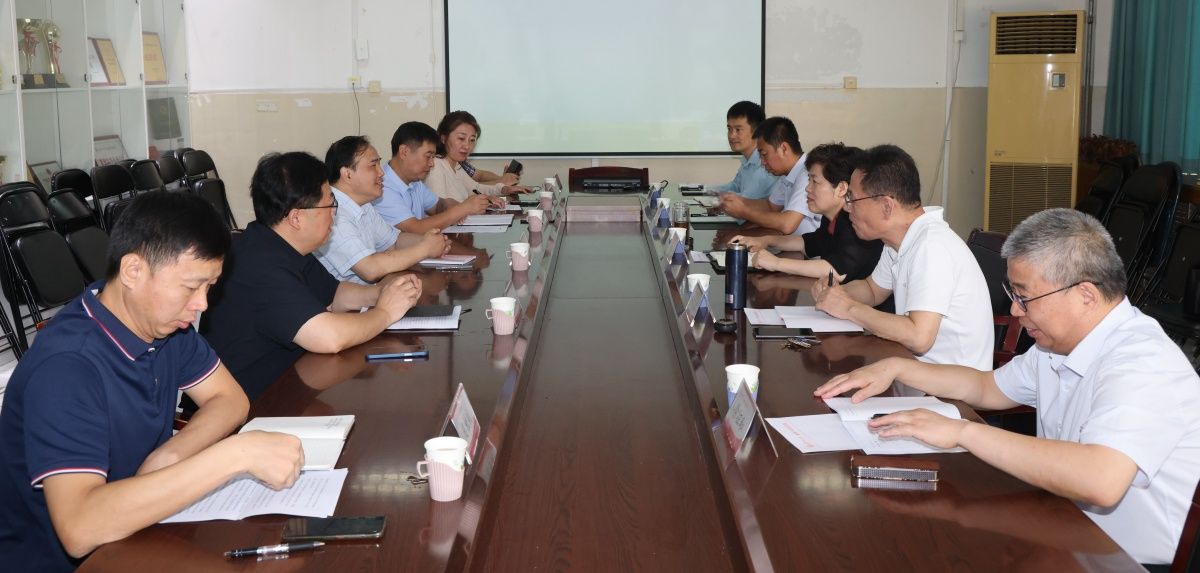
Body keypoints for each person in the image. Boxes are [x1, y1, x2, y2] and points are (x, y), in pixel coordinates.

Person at [814, 208, 1200, 567]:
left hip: (1127, 560)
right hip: (1066, 528)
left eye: (1025, 297)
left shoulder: (1143, 362)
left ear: (1085, 295)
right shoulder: (1058, 345)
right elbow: (985, 387)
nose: (1015, 310)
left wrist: (962, 432)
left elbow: (1101, 480)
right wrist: (898, 367)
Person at [0, 191, 304, 572]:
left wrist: (169, 457)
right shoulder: (67, 367)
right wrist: (235, 456)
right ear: (133, 271)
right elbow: (79, 528)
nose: (202, 304)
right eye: (191, 286)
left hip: (137, 533)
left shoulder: (164, 327)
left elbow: (230, 399)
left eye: (209, 287)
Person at [202, 152, 422, 401]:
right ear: (296, 217)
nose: (335, 214)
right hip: (253, 402)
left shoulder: (281, 243)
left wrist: (382, 292)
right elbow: (329, 337)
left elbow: (335, 294)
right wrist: (385, 313)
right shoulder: (259, 264)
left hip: (292, 379)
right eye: (330, 205)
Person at [811, 144, 992, 369]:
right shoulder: (898, 241)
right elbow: (872, 290)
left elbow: (919, 337)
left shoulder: (931, 247)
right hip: (915, 369)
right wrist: (835, 293)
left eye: (852, 199)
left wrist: (848, 307)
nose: (847, 209)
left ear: (887, 206)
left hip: (950, 384)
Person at [732, 143, 882, 282]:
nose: (807, 188)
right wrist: (766, 240)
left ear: (841, 189)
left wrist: (777, 263)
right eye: (808, 180)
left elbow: (838, 270)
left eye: (814, 182)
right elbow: (807, 243)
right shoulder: (833, 218)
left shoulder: (855, 221)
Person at [316, 135, 451, 284]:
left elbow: (394, 242)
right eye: (373, 165)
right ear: (347, 174)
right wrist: (425, 248)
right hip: (346, 298)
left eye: (379, 165)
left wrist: (432, 241)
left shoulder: (364, 205)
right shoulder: (333, 212)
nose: (381, 173)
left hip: (373, 291)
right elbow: (370, 269)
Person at [373, 121, 491, 233]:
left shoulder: (414, 181)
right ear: (404, 152)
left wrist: (456, 206)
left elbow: (438, 205)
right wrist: (462, 209)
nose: (431, 164)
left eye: (433, 157)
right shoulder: (382, 186)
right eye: (428, 156)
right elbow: (415, 228)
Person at [717, 116, 820, 235]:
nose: (762, 162)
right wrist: (736, 201)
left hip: (810, 246)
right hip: (793, 243)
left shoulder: (807, 174)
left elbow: (787, 224)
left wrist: (744, 211)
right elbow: (770, 206)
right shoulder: (787, 174)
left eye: (764, 154)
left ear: (784, 149)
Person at [425, 111, 529, 202]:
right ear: (443, 138)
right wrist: (476, 204)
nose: (467, 146)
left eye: (472, 140)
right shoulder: (435, 165)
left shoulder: (456, 165)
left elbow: (475, 188)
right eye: (461, 138)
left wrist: (504, 189)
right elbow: (441, 207)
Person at [711, 101, 778, 200]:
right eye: (729, 129)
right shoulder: (747, 159)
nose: (732, 136)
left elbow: (745, 199)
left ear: (757, 131)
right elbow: (735, 186)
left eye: (738, 130)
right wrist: (705, 189)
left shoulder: (766, 165)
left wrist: (716, 199)